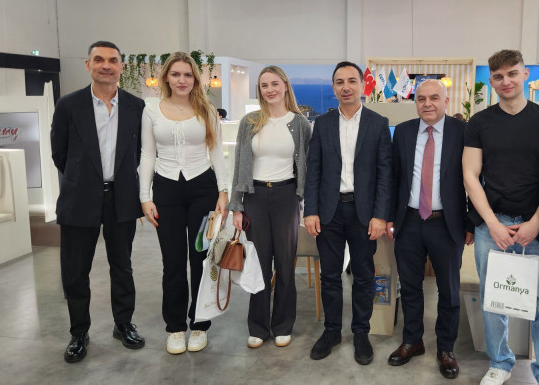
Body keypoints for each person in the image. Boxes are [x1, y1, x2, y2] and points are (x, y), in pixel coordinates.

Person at [462, 50, 539, 385]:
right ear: (491, 81)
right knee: (494, 299)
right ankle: (500, 363)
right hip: (493, 226)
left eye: (512, 74)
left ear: (525, 74)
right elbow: (470, 176)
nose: (506, 81)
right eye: (498, 76)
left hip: (538, 224)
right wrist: (492, 224)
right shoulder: (479, 123)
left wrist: (536, 222)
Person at [51, 40, 146, 363]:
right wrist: (83, 178)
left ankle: (123, 324)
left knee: (122, 266)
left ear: (121, 67)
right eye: (99, 59)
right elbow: (60, 153)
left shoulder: (136, 106)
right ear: (88, 65)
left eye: (113, 60)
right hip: (79, 198)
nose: (106, 65)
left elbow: (139, 153)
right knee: (75, 271)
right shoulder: (69, 105)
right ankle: (79, 333)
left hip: (122, 197)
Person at [138, 51, 229, 355]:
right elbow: (147, 154)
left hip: (202, 189)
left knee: (201, 258)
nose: (182, 80)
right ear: (166, 77)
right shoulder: (151, 110)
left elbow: (216, 153)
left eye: (188, 75)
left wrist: (223, 191)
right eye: (176, 74)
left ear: (195, 79)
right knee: (173, 262)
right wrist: (145, 197)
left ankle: (200, 323)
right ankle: (175, 327)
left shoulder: (207, 109)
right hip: (166, 191)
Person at [304, 61, 392, 365]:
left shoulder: (378, 123)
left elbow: (385, 173)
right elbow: (314, 170)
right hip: (328, 212)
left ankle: (360, 333)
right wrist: (310, 211)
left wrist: (380, 215)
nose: (346, 87)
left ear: (362, 85)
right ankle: (331, 331)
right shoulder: (322, 124)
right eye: (340, 82)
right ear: (333, 88)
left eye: (352, 81)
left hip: (363, 212)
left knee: (364, 276)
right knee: (329, 275)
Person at [386, 79, 472, 379]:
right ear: (415, 103)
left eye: (434, 98)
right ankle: (413, 340)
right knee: (410, 286)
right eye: (421, 98)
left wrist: (471, 222)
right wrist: (389, 217)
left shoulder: (463, 132)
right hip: (409, 221)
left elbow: (476, 179)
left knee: (448, 291)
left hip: (447, 224)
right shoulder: (404, 132)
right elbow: (394, 177)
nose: (427, 104)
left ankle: (446, 348)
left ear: (446, 101)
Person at [228, 66, 312, 349]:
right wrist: (237, 205)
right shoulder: (250, 122)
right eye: (264, 85)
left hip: (287, 197)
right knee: (259, 264)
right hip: (255, 197)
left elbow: (307, 167)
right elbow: (240, 164)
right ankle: (258, 326)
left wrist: (306, 204)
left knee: (285, 264)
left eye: (275, 84)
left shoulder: (300, 124)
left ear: (285, 86)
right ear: (259, 90)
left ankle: (283, 325)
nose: (270, 90)